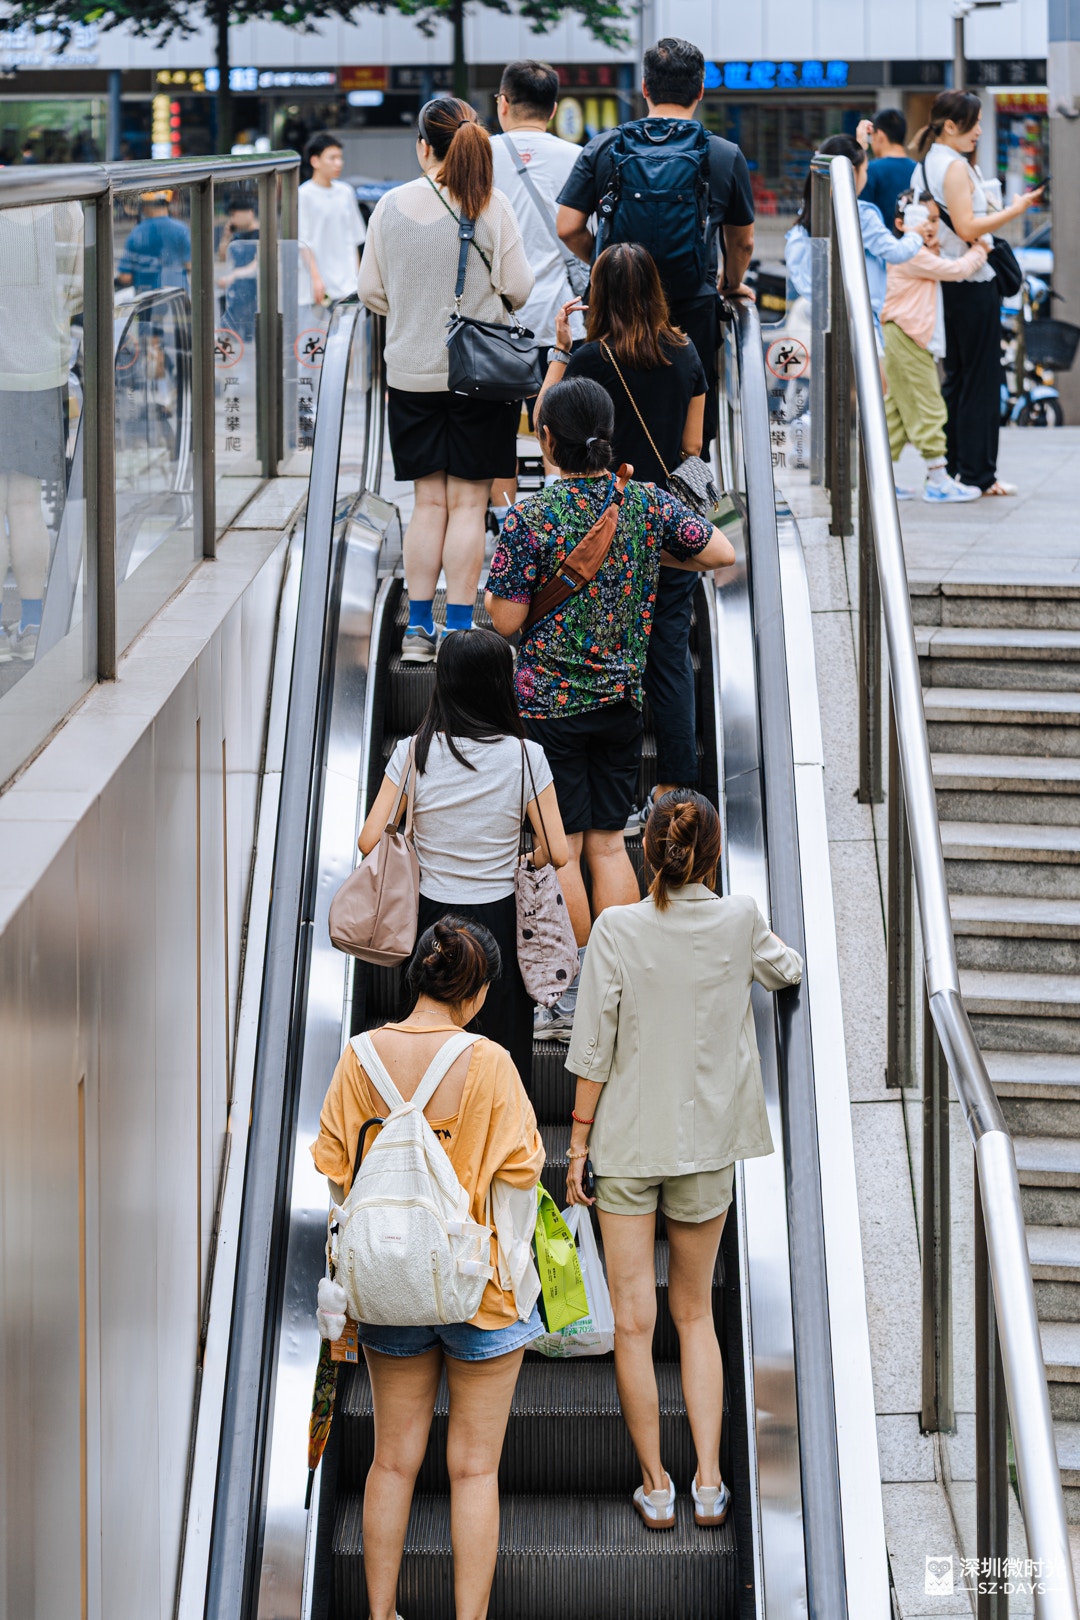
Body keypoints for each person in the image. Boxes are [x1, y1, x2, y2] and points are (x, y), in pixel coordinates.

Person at [564, 791, 803, 1531]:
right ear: (715, 856)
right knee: (694, 1314)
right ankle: (708, 1482)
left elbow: (594, 1048)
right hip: (706, 1146)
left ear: (648, 853)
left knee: (632, 1325)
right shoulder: (739, 918)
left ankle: (656, 1486)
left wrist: (576, 1144)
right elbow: (787, 971)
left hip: (628, 1143)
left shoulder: (616, 929)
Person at [484, 377, 735, 1038]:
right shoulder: (645, 504)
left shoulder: (530, 519)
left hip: (548, 712)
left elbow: (506, 621)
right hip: (622, 703)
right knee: (608, 845)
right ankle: (622, 988)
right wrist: (648, 560)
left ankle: (569, 1003)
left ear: (546, 442)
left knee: (559, 848)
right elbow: (720, 550)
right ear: (608, 435)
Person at [311, 916, 545, 1620]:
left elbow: (332, 1166)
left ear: (418, 976)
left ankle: (381, 1614)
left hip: (390, 1287)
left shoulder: (358, 1058)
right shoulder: (491, 1064)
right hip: (482, 1289)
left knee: (392, 1460)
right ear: (472, 994)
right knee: (474, 1469)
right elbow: (524, 1169)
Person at [359, 97, 533, 663]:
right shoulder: (491, 203)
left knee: (426, 504)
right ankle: (459, 627)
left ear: (423, 146)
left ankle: (417, 630)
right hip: (479, 377)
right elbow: (519, 288)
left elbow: (371, 294)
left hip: (411, 374)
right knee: (468, 504)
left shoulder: (389, 206)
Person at [536, 242, 707, 815]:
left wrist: (561, 350)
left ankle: (596, 797)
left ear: (598, 297)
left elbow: (544, 426)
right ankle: (676, 789)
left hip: (600, 527)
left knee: (600, 652)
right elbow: (692, 446)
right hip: (661, 520)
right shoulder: (686, 353)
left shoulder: (589, 360)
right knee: (669, 651)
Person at [357, 627, 568, 1082]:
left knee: (428, 1047)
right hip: (500, 921)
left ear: (444, 682)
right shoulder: (527, 757)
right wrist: (525, 861)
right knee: (500, 1053)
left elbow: (370, 841)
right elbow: (559, 851)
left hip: (428, 916)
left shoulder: (413, 751)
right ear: (501, 684)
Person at [556, 36, 755, 449]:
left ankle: (611, 507)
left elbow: (568, 226)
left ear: (645, 88)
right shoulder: (723, 154)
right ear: (700, 90)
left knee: (606, 422)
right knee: (688, 432)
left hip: (614, 311)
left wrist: (607, 265)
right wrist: (731, 284)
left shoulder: (605, 147)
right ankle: (679, 510)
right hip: (691, 310)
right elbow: (742, 243)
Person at [911, 89, 1044, 497]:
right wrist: (1017, 208)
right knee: (981, 380)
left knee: (958, 379)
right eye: (974, 124)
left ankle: (953, 470)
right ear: (951, 125)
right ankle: (978, 474)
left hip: (949, 284)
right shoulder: (951, 166)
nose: (980, 132)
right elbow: (968, 228)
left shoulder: (928, 163)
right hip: (971, 281)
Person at [489, 58, 587, 518]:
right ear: (551, 110)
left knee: (498, 433)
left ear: (503, 104)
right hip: (561, 320)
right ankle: (556, 527)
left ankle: (510, 530)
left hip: (493, 324)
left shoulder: (478, 157)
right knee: (559, 427)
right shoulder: (578, 158)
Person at [0, 202, 81, 666]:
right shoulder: (66, 206)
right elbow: (78, 291)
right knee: (25, 504)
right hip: (41, 369)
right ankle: (32, 625)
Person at [883, 193, 990, 503]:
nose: (930, 227)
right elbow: (956, 270)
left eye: (933, 220)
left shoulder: (914, 252)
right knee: (929, 404)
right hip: (907, 336)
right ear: (901, 224)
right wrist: (981, 249)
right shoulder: (911, 254)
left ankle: (873, 478)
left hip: (902, 335)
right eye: (922, 220)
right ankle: (938, 480)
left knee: (897, 412)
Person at [298, 131, 367, 306]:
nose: (339, 163)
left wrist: (357, 280)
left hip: (347, 286)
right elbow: (303, 243)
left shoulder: (346, 192)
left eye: (340, 158)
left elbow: (354, 239)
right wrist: (316, 279)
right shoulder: (303, 194)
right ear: (315, 161)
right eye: (332, 158)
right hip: (318, 288)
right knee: (316, 332)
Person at [116, 191, 191, 294]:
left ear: (145, 206)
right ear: (167, 204)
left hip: (147, 302)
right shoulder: (182, 230)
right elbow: (190, 265)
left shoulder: (136, 233)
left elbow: (125, 277)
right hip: (178, 300)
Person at [861, 108, 916, 226]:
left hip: (878, 242)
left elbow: (860, 213)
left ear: (880, 135)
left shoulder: (870, 170)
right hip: (913, 241)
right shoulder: (918, 169)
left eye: (872, 136)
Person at [216, 194, 259, 343]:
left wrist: (233, 275)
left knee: (247, 336)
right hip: (235, 292)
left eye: (234, 215)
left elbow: (258, 263)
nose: (232, 219)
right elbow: (223, 256)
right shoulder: (237, 235)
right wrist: (226, 236)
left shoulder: (261, 234)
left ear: (249, 213)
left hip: (253, 292)